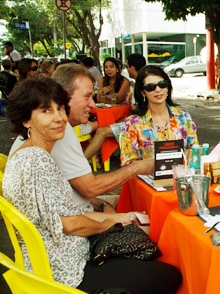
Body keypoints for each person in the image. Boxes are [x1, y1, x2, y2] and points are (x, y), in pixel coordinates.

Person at [3, 77, 182, 294]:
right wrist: (108, 224)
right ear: (26, 120)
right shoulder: (36, 160)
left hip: (57, 260)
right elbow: (72, 225)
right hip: (66, 272)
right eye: (46, 111)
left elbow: (66, 216)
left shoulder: (32, 154)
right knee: (170, 274)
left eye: (60, 109)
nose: (59, 118)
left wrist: (117, 220)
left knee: (141, 243)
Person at [9, 63, 153, 217]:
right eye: (87, 96)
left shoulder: (45, 131)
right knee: (151, 221)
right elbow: (87, 192)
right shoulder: (55, 133)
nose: (92, 104)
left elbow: (76, 191)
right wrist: (138, 168)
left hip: (77, 210)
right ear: (63, 96)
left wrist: (103, 204)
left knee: (138, 203)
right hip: (75, 221)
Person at [119, 65, 198, 166]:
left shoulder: (183, 116)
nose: (158, 89)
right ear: (143, 92)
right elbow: (128, 163)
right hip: (147, 179)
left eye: (162, 84)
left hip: (182, 177)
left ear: (167, 87)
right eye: (150, 87)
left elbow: (195, 149)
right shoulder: (132, 123)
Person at [80, 54, 148, 161]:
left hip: (140, 124)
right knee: (104, 124)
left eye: (111, 66)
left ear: (131, 68)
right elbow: (99, 99)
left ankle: (81, 162)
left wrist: (125, 119)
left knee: (101, 131)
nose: (108, 69)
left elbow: (135, 110)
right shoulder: (140, 83)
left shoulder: (135, 84)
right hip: (136, 121)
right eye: (106, 67)